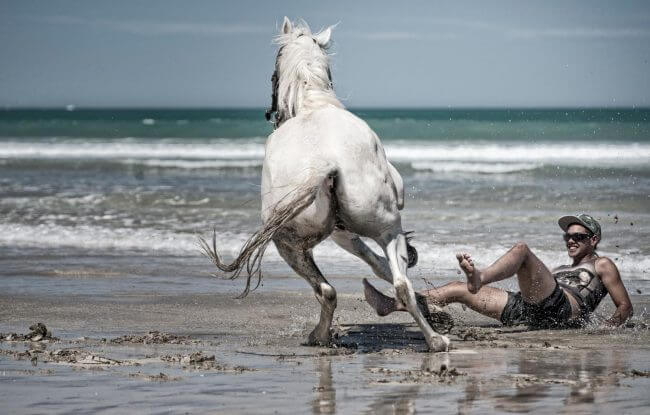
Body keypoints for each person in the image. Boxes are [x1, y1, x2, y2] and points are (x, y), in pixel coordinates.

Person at [363, 214, 633, 329]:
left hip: (562, 309)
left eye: (578, 236)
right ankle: (394, 304)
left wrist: (601, 330)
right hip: (530, 310)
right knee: (458, 288)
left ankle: (479, 278)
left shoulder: (602, 264)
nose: (571, 240)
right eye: (568, 236)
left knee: (522, 250)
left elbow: (624, 307)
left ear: (594, 239)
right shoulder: (559, 268)